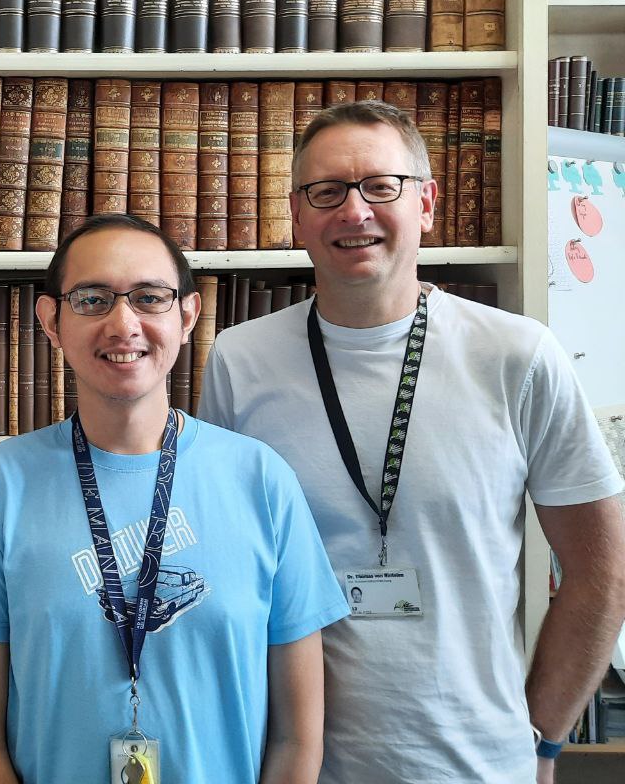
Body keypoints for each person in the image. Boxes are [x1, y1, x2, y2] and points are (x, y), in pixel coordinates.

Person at [198, 100, 625, 784]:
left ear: (426, 203)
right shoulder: (238, 360)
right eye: (326, 191)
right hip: (298, 769)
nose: (354, 210)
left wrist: (543, 741)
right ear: (297, 216)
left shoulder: (518, 356)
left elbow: (603, 573)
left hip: (478, 767)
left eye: (381, 186)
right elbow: (228, 576)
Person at [0, 215, 350, 784]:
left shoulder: (262, 480)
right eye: (92, 299)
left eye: (150, 298)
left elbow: (296, 738)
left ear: (188, 316)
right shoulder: (0, 484)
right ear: (51, 321)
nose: (123, 323)